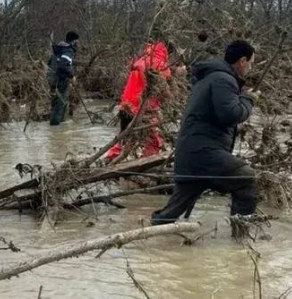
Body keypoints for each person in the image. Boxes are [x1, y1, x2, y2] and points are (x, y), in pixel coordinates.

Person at [151, 40, 259, 238]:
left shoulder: (211, 77)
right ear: (242, 61)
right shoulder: (224, 79)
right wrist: (248, 100)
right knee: (246, 179)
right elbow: (231, 115)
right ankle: (241, 242)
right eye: (250, 63)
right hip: (204, 153)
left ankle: (147, 241)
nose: (250, 68)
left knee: (169, 214)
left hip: (190, 153)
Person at [105, 40, 172, 161]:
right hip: (144, 108)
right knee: (153, 139)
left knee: (123, 135)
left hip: (126, 105)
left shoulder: (141, 60)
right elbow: (164, 90)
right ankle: (149, 161)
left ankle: (111, 157)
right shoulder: (160, 64)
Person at [47, 31, 79, 125]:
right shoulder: (68, 50)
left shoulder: (58, 48)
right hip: (60, 79)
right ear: (73, 41)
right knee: (61, 102)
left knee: (55, 101)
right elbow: (63, 65)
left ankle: (57, 124)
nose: (78, 44)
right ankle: (55, 126)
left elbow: (50, 62)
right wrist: (71, 75)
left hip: (51, 78)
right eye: (77, 42)